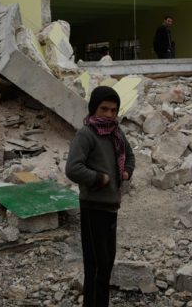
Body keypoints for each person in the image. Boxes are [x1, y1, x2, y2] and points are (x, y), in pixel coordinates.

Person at [65, 86, 135, 307]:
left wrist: (126, 172)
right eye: (104, 109)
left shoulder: (116, 132)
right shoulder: (86, 134)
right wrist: (99, 179)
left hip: (111, 207)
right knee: (95, 265)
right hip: (93, 206)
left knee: (106, 264)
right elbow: (73, 168)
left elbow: (130, 155)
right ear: (94, 108)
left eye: (113, 110)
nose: (109, 115)